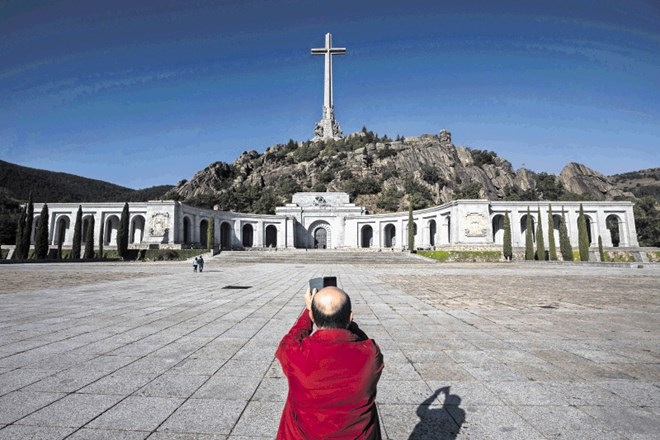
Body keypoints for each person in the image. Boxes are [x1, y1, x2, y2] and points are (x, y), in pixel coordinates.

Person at [276, 285, 384, 439]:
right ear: (350, 317)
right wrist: (344, 320)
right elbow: (363, 339)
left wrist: (308, 312)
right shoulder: (370, 354)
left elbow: (289, 341)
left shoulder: (295, 354)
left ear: (313, 316)